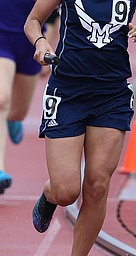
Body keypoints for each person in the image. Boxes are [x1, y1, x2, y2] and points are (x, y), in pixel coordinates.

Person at [24, 0, 136, 255]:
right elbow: (32, 21)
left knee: (97, 187)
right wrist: (40, 42)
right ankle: (50, 193)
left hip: (112, 94)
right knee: (66, 191)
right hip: (67, 91)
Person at [0, 0, 59, 194]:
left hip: (29, 41)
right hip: (2, 35)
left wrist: (49, 45)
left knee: (18, 112)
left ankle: (11, 119)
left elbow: (54, 14)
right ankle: (0, 170)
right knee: (1, 99)